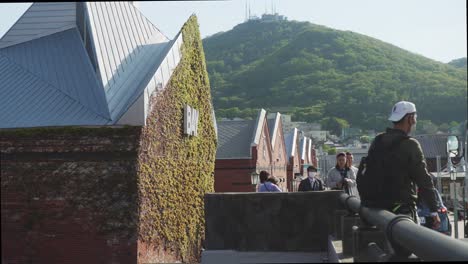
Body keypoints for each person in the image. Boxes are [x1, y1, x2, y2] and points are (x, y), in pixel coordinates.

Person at [357, 101, 440, 260]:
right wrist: (434, 210)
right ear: (409, 118)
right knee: (407, 253)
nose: (415, 120)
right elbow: (424, 180)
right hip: (401, 209)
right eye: (414, 116)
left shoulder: (378, 141)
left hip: (376, 209)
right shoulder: (410, 145)